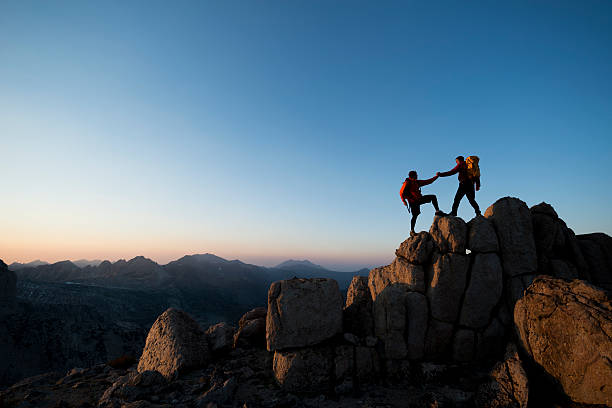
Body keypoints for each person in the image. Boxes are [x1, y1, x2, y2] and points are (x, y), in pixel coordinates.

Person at [400, 170, 445, 235]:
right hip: (413, 202)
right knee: (415, 215)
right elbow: (401, 192)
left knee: (433, 197)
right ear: (413, 176)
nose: (417, 176)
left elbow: (428, 181)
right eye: (416, 175)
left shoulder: (417, 182)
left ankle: (437, 211)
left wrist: (436, 176)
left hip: (419, 199)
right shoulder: (407, 183)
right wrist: (404, 201)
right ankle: (412, 231)